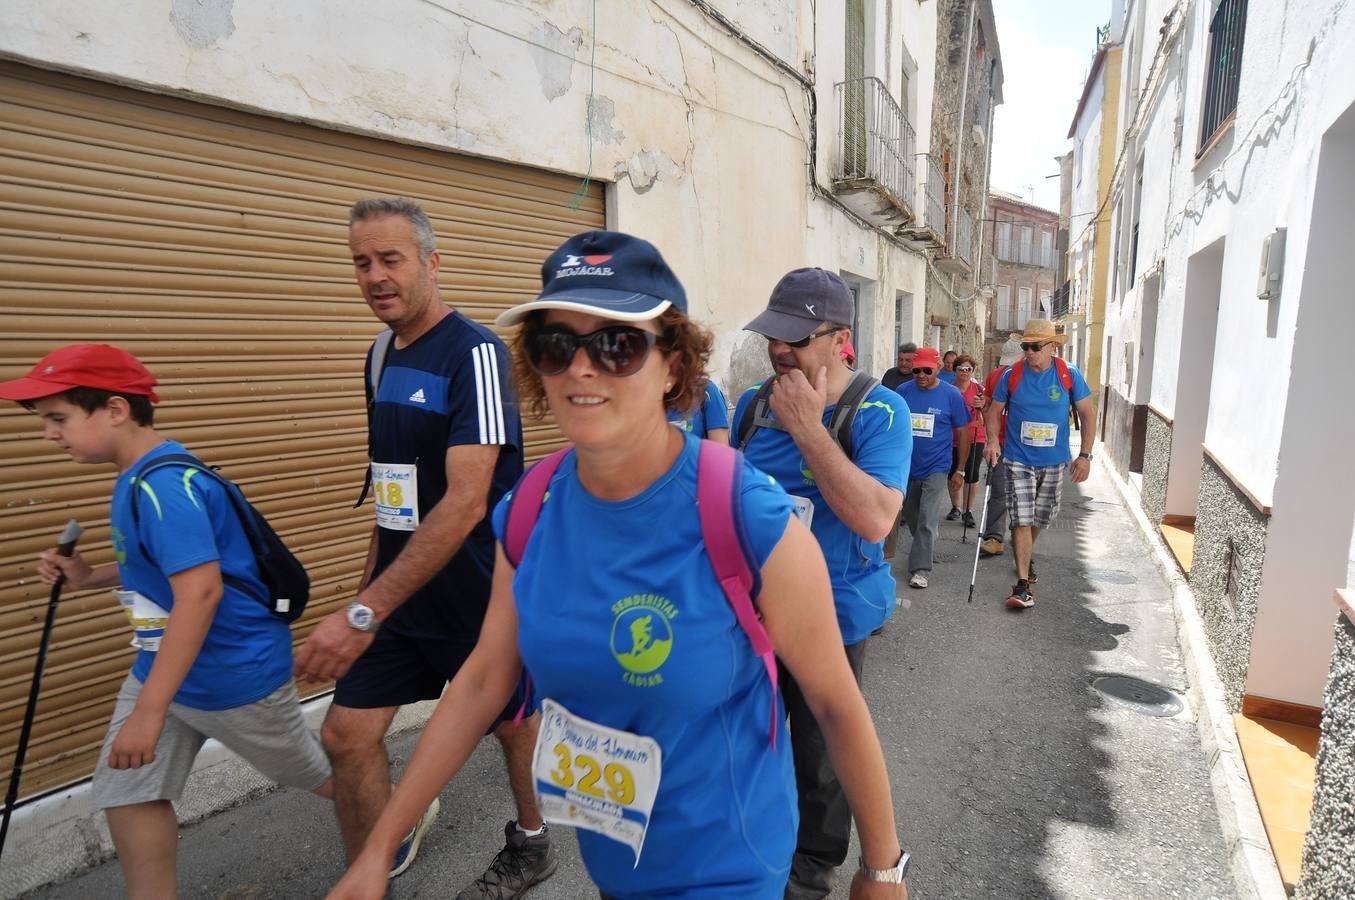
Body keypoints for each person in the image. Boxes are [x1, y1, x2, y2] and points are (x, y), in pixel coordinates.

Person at [325, 231, 911, 900]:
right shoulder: (529, 508)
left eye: (616, 344)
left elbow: (835, 704)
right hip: (613, 861)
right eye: (554, 345)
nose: (580, 368)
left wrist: (881, 869)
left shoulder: (744, 511)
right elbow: (485, 678)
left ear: (672, 365)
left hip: (729, 866)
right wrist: (375, 852)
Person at [4, 344, 334, 899]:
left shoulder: (162, 488)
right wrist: (87, 578)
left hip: (231, 676)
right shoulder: (137, 478)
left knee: (316, 776)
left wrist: (149, 713)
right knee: (127, 787)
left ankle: (391, 812)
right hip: (168, 667)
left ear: (114, 410)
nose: (49, 434)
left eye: (58, 419)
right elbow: (164, 570)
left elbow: (200, 593)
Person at [294, 197, 555, 896]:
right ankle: (372, 866)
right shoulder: (378, 356)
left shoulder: (474, 354)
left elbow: (467, 501)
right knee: (346, 736)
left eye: (390, 259)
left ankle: (531, 838)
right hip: (400, 598)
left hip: (478, 590)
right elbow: (392, 494)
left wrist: (360, 614)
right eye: (361, 262)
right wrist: (364, 598)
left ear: (430, 263)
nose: (375, 275)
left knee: (508, 723)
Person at [734, 267, 911, 900]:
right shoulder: (754, 405)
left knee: (819, 760)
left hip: (833, 619)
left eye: (796, 338)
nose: (779, 350)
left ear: (840, 338)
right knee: (748, 744)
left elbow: (874, 516)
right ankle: (751, 853)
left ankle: (810, 874)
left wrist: (810, 428)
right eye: (773, 337)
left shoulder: (880, 409)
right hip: (750, 620)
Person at [982, 320, 1098, 609]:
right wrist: (993, 442)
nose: (1029, 353)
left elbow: (1087, 413)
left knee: (1040, 518)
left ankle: (1023, 548)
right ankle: (1023, 584)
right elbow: (993, 411)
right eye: (1025, 347)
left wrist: (1085, 455)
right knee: (1021, 518)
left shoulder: (1068, 374)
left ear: (1052, 347)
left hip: (1054, 461)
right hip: (1018, 458)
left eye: (1035, 347)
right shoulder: (1012, 375)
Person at [893, 348, 970, 590]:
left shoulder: (951, 395)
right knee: (913, 515)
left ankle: (921, 569)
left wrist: (960, 470)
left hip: (937, 465)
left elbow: (963, 433)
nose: (921, 375)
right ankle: (925, 544)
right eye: (917, 370)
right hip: (907, 465)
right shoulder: (903, 392)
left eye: (927, 370)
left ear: (937, 368)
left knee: (927, 517)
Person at [977, 349, 1020, 557]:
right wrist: (990, 439)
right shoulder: (996, 376)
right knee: (999, 489)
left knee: (1019, 493)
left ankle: (1020, 537)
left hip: (1027, 445)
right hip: (1001, 442)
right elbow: (987, 407)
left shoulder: (1035, 375)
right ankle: (994, 537)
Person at [945, 355, 986, 528]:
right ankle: (956, 507)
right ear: (955, 371)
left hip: (976, 437)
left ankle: (968, 511)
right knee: (952, 472)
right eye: (961, 369)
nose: (964, 372)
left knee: (971, 474)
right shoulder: (948, 389)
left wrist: (981, 406)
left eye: (968, 369)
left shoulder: (979, 390)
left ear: (973, 371)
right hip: (952, 438)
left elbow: (987, 414)